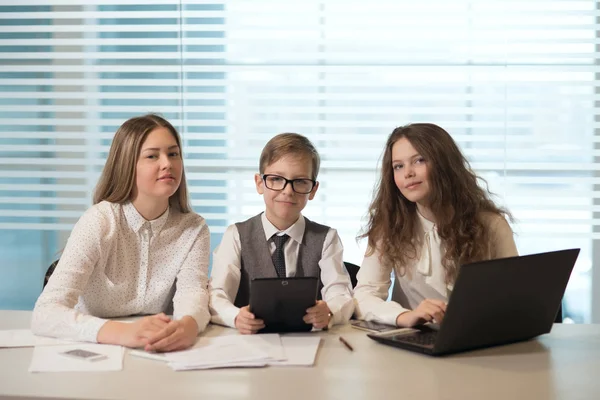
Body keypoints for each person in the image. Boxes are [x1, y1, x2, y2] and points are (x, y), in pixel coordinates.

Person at [31, 114, 210, 352]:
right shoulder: (99, 221)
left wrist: (189, 325)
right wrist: (124, 333)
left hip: (155, 351)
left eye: (173, 153)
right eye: (152, 156)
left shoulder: (194, 228)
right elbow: (45, 313)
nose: (167, 163)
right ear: (127, 165)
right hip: (94, 348)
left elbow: (192, 293)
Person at [353, 123, 518, 328]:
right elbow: (364, 295)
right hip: (413, 339)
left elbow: (513, 297)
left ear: (444, 164)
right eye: (398, 166)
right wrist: (405, 316)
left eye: (419, 160)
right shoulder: (389, 225)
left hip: (475, 337)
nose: (408, 173)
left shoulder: (491, 225)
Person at [209, 133, 354, 334]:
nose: (287, 191)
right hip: (250, 344)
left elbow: (341, 293)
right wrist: (235, 316)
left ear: (313, 189)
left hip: (311, 344)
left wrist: (329, 311)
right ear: (259, 183)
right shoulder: (236, 235)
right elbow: (216, 294)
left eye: (300, 181)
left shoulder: (327, 238)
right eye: (276, 179)